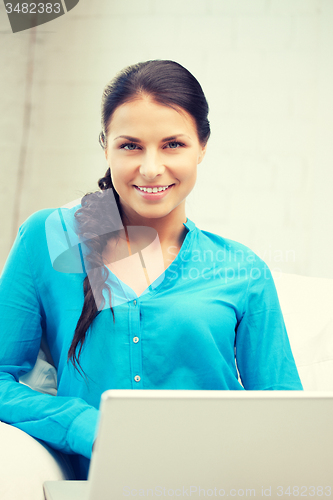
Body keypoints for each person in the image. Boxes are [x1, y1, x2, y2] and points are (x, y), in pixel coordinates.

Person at [0, 60, 303, 481]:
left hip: (218, 484)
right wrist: (83, 425)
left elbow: (285, 411)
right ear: (105, 145)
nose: (151, 167)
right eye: (130, 146)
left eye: (173, 144)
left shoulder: (243, 269)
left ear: (202, 146)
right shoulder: (48, 237)